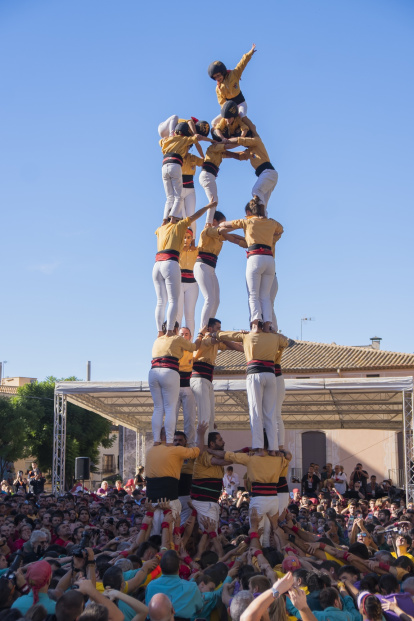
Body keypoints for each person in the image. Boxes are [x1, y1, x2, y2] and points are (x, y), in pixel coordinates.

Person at [213, 322, 289, 451]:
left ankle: (261, 446)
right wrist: (274, 332)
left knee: (257, 413)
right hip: (273, 375)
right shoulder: (274, 338)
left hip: (260, 373)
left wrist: (216, 334)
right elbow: (285, 341)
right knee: (272, 414)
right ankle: (276, 448)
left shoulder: (249, 337)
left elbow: (230, 336)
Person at [218, 199, 283, 331]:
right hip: (270, 259)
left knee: (253, 295)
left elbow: (227, 224)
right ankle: (267, 324)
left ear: (249, 212)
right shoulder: (271, 223)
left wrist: (219, 227)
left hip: (255, 257)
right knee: (265, 296)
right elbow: (281, 229)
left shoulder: (248, 222)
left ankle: (255, 323)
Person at [153, 200, 216, 336]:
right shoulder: (180, 226)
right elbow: (195, 216)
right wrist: (208, 206)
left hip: (158, 264)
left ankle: (160, 332)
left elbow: (166, 222)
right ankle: (170, 332)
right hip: (170, 264)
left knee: (162, 302)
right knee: (174, 303)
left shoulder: (161, 228)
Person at [144, 423, 204, 533]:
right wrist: (201, 433)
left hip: (153, 497)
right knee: (170, 531)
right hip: (169, 497)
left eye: (180, 440)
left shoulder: (150, 451)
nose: (177, 442)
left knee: (155, 532)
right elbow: (199, 450)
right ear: (170, 436)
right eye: (174, 438)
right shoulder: (175, 450)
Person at [190, 318, 241, 441]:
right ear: (210, 329)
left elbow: (234, 346)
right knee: (204, 415)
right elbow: (217, 339)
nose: (220, 331)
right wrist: (225, 335)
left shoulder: (216, 341)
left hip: (207, 379)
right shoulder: (206, 339)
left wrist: (246, 341)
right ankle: (201, 445)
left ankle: (209, 442)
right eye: (218, 328)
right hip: (199, 378)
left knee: (211, 416)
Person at [149, 321, 198, 445]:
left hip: (153, 372)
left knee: (158, 408)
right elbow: (194, 347)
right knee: (170, 408)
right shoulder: (176, 338)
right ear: (176, 329)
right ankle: (170, 441)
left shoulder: (158, 340)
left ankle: (156, 440)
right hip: (169, 371)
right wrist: (201, 335)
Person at [159, 121, 211, 221]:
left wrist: (168, 137)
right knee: (178, 197)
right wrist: (212, 141)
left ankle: (165, 219)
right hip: (175, 166)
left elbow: (160, 141)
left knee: (170, 198)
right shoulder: (184, 140)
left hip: (165, 166)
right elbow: (198, 138)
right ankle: (173, 218)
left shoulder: (169, 140)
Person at [227, 116, 278, 209]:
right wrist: (222, 153)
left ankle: (261, 215)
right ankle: (262, 219)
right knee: (262, 201)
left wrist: (225, 142)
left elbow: (243, 136)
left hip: (268, 172)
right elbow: (239, 156)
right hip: (267, 174)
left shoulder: (256, 140)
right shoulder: (250, 150)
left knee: (256, 191)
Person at [208, 43, 257, 127]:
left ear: (223, 72)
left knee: (241, 116)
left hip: (240, 103)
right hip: (229, 108)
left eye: (218, 75)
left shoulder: (234, 74)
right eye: (215, 77)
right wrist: (228, 113)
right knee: (214, 122)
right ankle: (223, 138)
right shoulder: (218, 88)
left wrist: (250, 53)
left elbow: (242, 63)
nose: (217, 78)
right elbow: (222, 102)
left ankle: (251, 131)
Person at [145, 551, 203, 619]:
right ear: (179, 566)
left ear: (160, 566)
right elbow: (199, 610)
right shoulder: (192, 588)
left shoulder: (151, 586)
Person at [193, 212, 227, 329]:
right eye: (222, 223)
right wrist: (240, 224)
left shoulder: (219, 236)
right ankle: (202, 329)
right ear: (213, 221)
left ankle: (209, 326)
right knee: (209, 298)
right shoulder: (207, 231)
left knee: (216, 300)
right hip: (202, 265)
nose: (224, 226)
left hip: (211, 269)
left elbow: (232, 237)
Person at [190, 431, 231, 526]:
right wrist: (243, 457)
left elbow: (228, 456)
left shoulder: (215, 455)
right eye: (220, 440)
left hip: (210, 503)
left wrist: (243, 451)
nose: (223, 442)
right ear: (212, 444)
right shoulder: (204, 455)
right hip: (204, 504)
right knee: (210, 533)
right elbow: (223, 461)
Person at [198, 142, 241, 224]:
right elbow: (228, 146)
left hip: (209, 176)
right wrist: (241, 141)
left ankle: (209, 223)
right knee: (214, 201)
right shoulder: (214, 147)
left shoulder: (219, 152)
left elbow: (231, 154)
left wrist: (246, 153)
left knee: (214, 200)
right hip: (207, 175)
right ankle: (208, 223)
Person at [175, 327, 197, 447]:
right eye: (182, 334)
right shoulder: (174, 350)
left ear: (190, 336)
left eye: (186, 334)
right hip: (175, 386)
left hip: (188, 386)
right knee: (172, 416)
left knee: (190, 418)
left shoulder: (193, 350)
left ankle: (190, 444)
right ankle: (171, 442)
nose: (184, 336)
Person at [176, 230, 199, 339]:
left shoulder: (196, 251)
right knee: (178, 313)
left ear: (192, 239)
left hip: (192, 283)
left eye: (188, 237)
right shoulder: (176, 250)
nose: (186, 240)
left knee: (190, 314)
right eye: (184, 237)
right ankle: (176, 340)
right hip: (179, 283)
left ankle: (190, 343)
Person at [179, 152, 204, 236]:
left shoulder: (192, 157)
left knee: (191, 215)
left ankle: (192, 240)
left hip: (190, 188)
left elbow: (203, 162)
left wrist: (197, 145)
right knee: (181, 214)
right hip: (179, 189)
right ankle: (182, 238)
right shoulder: (177, 156)